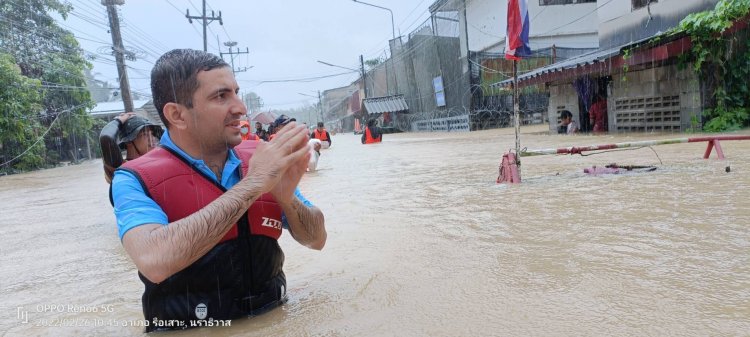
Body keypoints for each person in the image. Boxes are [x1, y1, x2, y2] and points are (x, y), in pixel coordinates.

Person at [111, 49, 327, 332]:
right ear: (177, 114)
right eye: (221, 96)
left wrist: (287, 200)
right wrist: (252, 186)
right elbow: (154, 260)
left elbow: (316, 240)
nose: (240, 108)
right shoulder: (133, 179)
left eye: (237, 93)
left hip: (274, 322)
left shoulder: (262, 159)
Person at [99, 112, 163, 184]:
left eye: (152, 134)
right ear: (128, 141)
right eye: (145, 134)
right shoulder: (121, 167)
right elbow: (106, 138)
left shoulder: (156, 160)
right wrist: (118, 120)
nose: (152, 139)